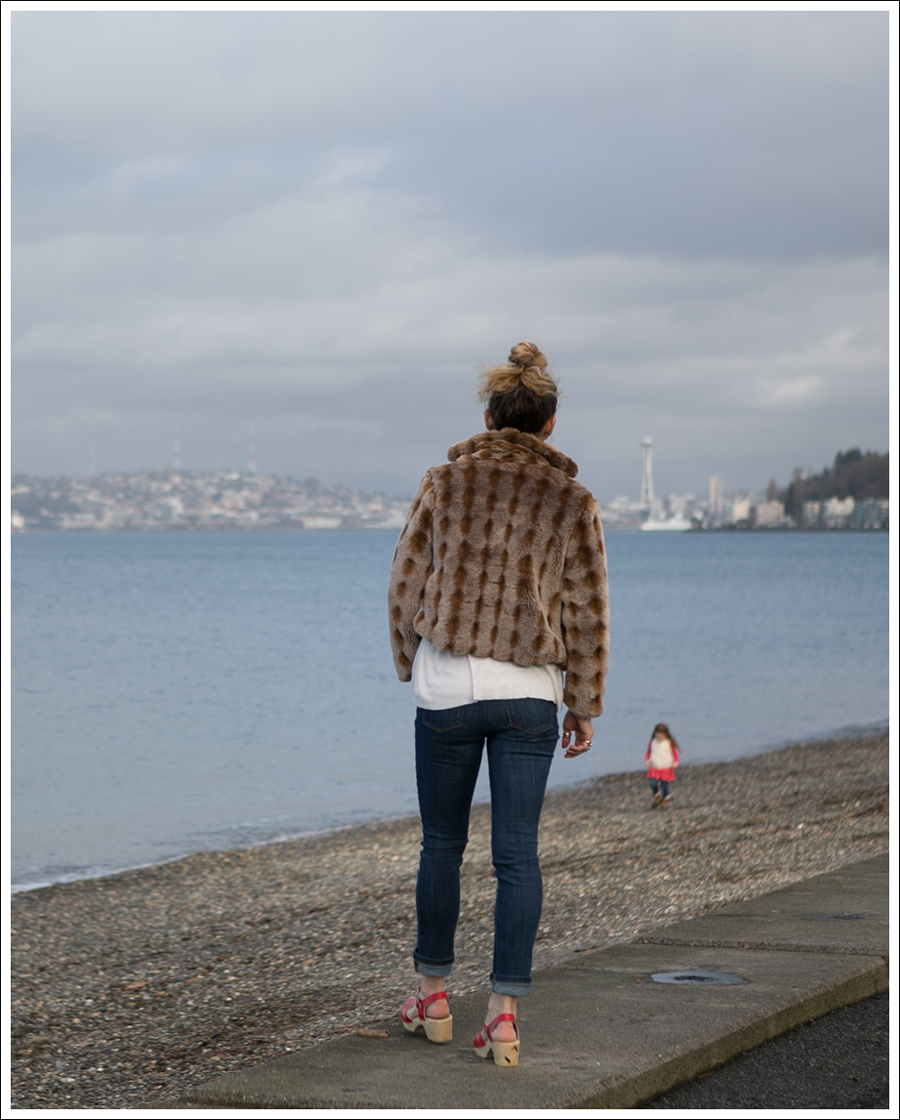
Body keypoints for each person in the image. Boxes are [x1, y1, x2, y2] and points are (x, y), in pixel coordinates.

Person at [387, 342, 609, 1067]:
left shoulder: (444, 482)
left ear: (488, 417)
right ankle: (504, 1018)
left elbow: (405, 580)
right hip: (529, 697)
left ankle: (433, 997)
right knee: (518, 855)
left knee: (441, 846)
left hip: (447, 687)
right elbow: (587, 608)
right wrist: (584, 703)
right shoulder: (571, 500)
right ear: (548, 426)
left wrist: (406, 660)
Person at [645, 723, 680, 806]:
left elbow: (675, 753)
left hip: (665, 767)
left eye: (660, 733)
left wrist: (675, 761)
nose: (658, 735)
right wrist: (647, 760)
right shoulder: (652, 742)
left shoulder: (669, 743)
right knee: (653, 782)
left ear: (665, 734)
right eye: (657, 733)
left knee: (664, 785)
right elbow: (649, 752)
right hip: (654, 766)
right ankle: (656, 794)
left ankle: (665, 797)